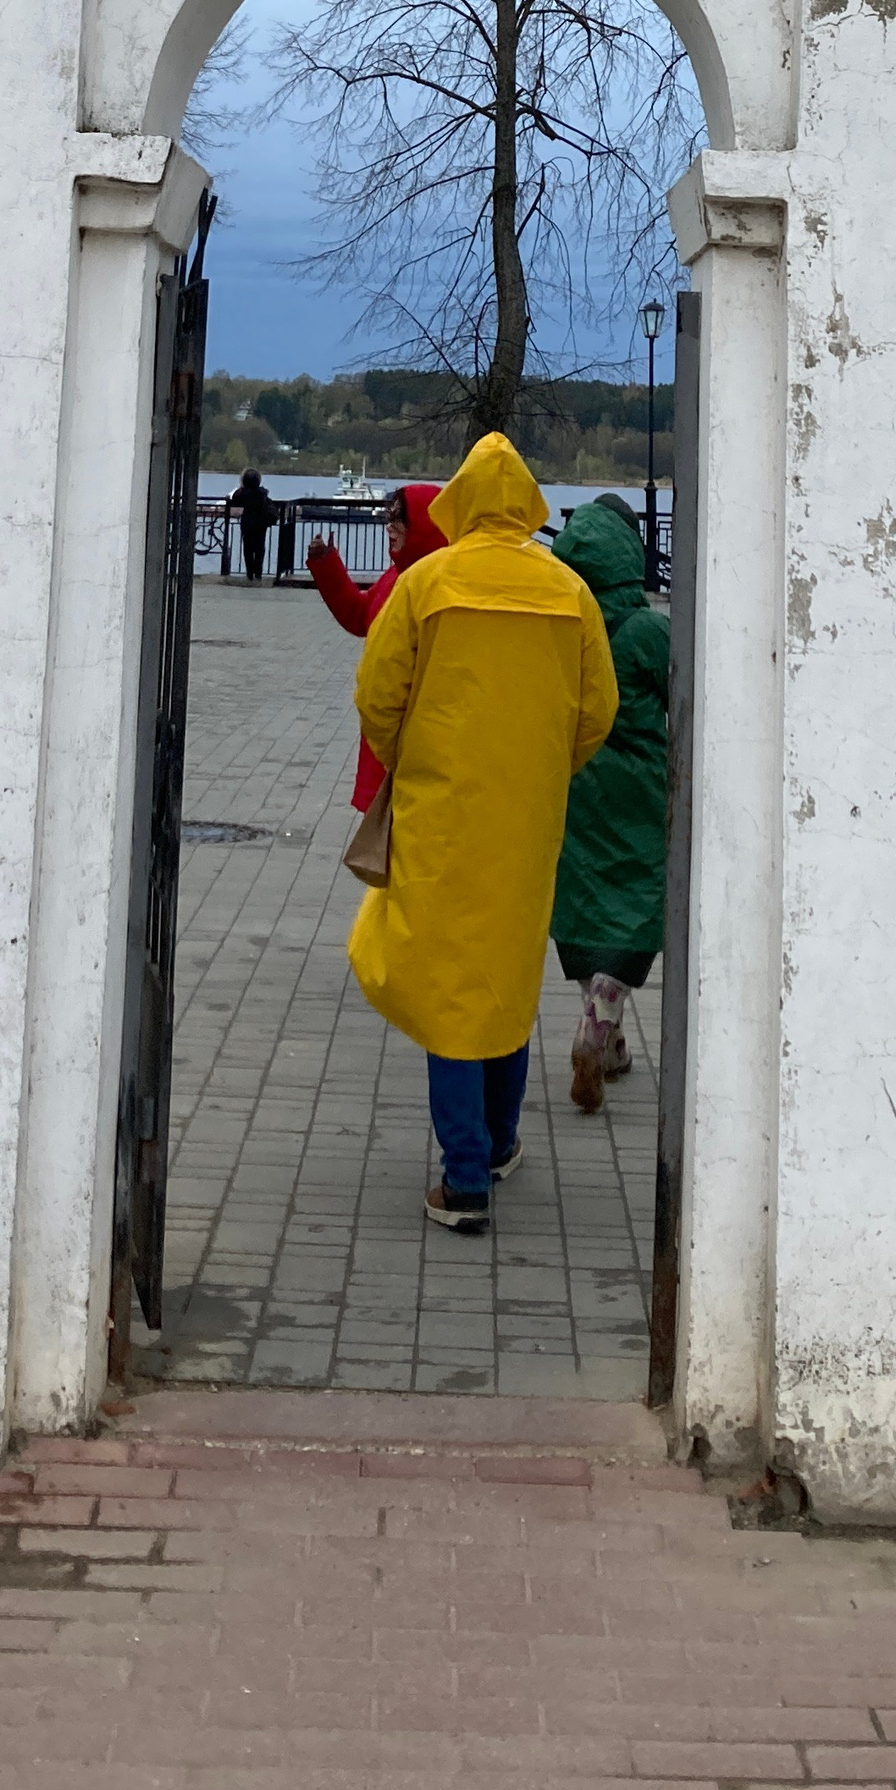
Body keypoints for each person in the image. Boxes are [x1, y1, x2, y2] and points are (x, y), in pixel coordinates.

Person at [347, 434, 617, 1233]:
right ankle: (499, 1142)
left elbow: (376, 694)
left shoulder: (426, 582)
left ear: (461, 500)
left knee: (451, 984)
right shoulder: (570, 591)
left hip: (442, 813)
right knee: (504, 974)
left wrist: (413, 758)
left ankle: (465, 1179)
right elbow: (597, 710)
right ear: (529, 504)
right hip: (528, 815)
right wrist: (546, 768)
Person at [547, 495, 671, 1112]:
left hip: (575, 784)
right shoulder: (649, 630)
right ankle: (599, 1025)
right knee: (634, 905)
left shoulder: (562, 621)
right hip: (640, 790)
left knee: (586, 903)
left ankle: (611, 1041)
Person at [306, 483, 444, 808]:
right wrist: (328, 566)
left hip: (409, 741)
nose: (389, 527)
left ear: (423, 525)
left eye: (399, 519)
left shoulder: (431, 585)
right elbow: (361, 615)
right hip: (387, 738)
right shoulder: (397, 575)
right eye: (388, 517)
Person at [232, 465, 274, 584]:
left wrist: (241, 487)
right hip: (261, 523)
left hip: (248, 523)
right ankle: (258, 573)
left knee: (248, 549)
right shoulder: (262, 493)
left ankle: (250, 573)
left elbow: (235, 499)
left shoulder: (243, 493)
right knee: (260, 548)